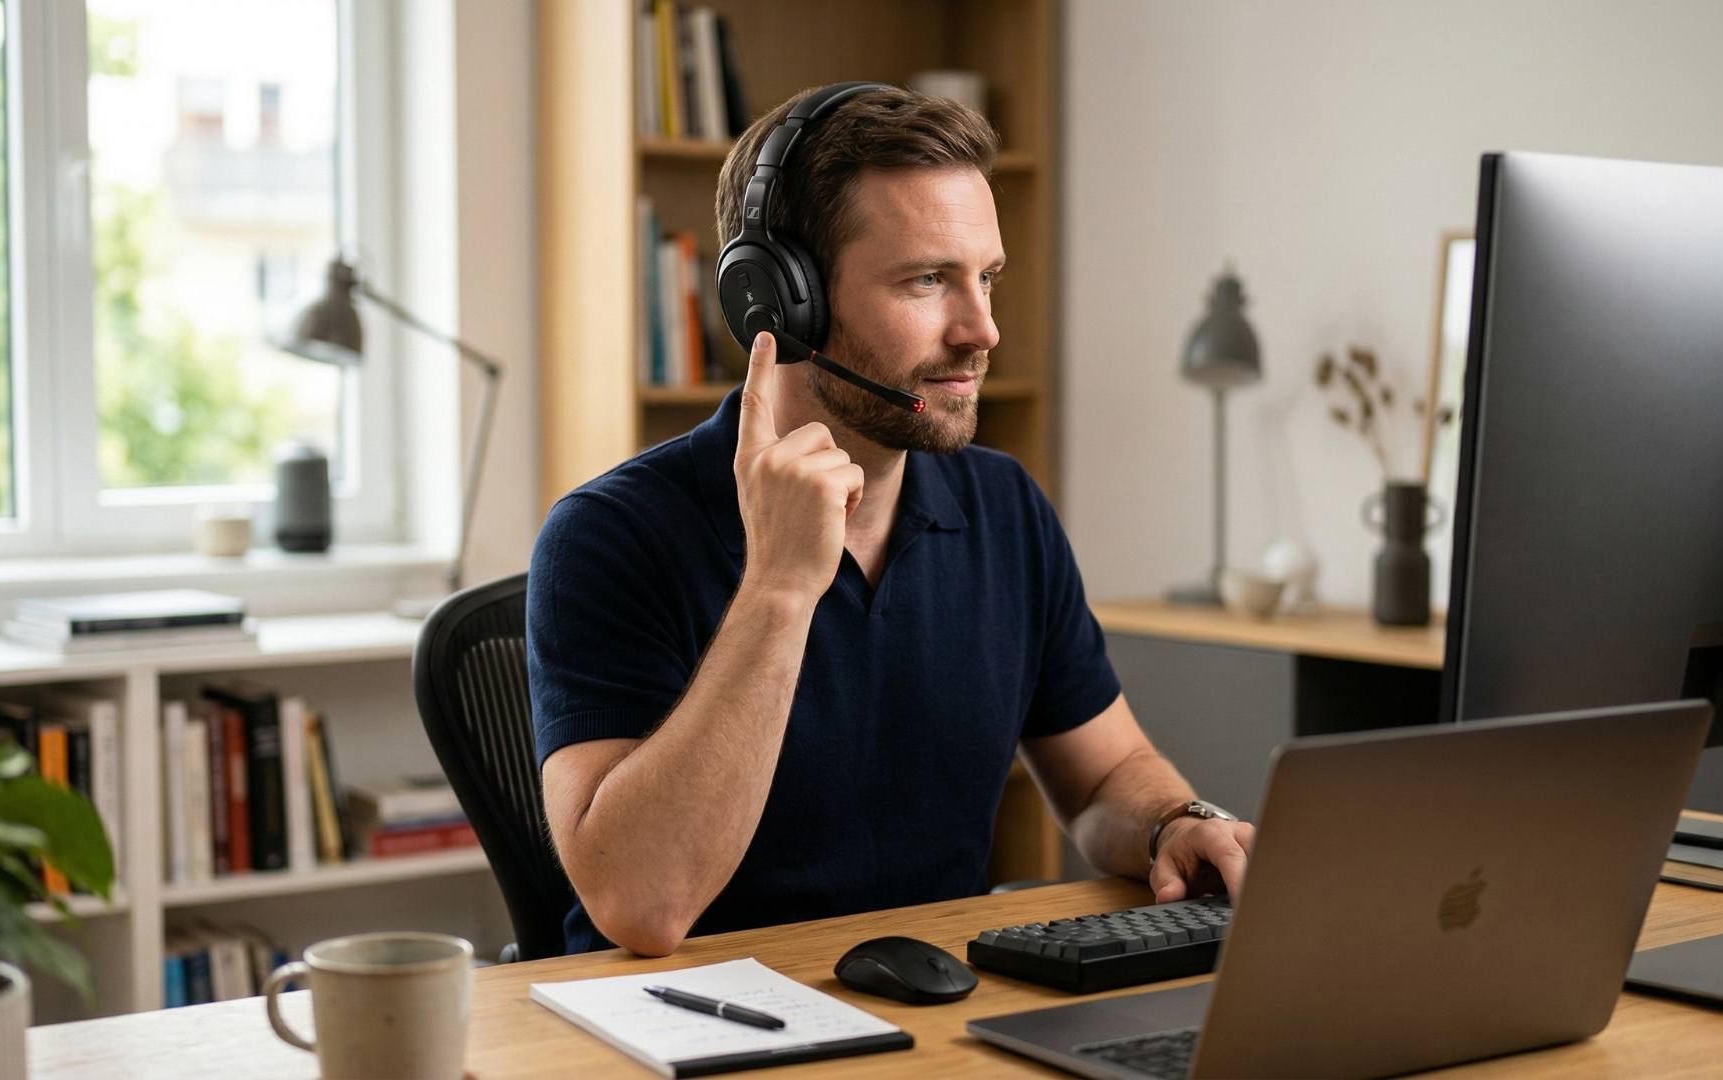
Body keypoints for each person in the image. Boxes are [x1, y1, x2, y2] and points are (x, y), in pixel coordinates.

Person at [528, 86, 1255, 957]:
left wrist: (1174, 821)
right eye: (926, 280)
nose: (981, 329)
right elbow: (641, 906)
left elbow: (1103, 775)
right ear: (778, 301)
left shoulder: (1003, 508)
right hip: (685, 1029)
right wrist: (781, 586)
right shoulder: (611, 537)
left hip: (937, 1012)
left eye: (985, 277)